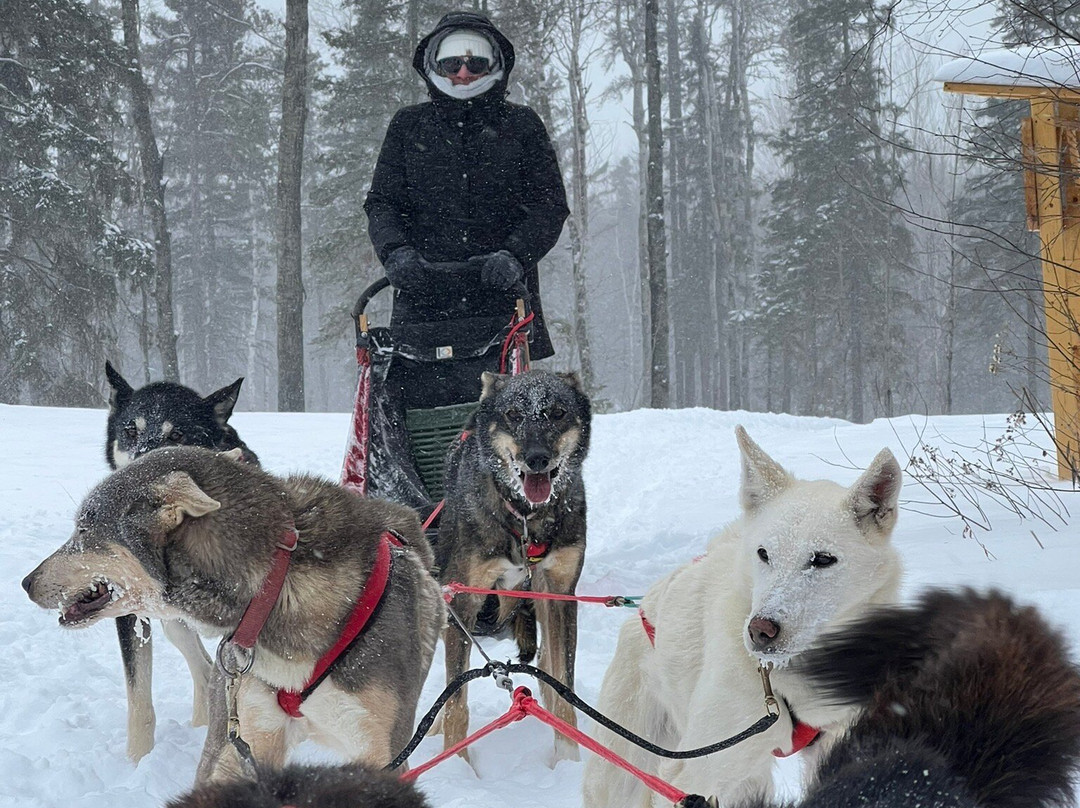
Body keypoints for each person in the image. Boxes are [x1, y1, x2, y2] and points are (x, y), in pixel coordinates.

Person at [364, 11, 569, 410]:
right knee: (414, 410)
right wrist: (396, 253)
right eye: (451, 62)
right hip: (422, 294)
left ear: (494, 65)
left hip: (502, 295)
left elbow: (549, 205)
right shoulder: (409, 126)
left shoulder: (522, 125)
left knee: (505, 414)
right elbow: (382, 202)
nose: (463, 72)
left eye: (475, 62)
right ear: (434, 65)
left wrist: (514, 255)